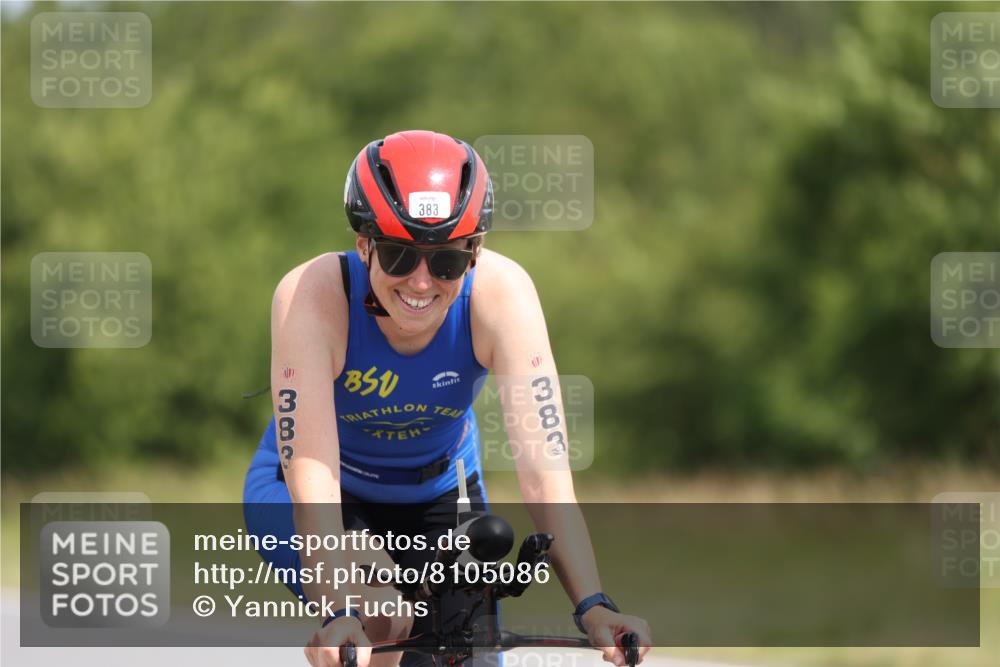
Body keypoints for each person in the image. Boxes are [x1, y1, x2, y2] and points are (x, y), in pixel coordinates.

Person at [243, 130, 651, 667]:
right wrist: (338, 609)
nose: (420, 281)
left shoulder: (502, 294)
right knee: (380, 615)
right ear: (364, 244)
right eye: (397, 254)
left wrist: (594, 605)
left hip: (441, 495)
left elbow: (544, 472)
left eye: (446, 262)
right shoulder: (312, 297)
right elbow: (313, 481)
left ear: (475, 252)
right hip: (323, 494)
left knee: (462, 659)